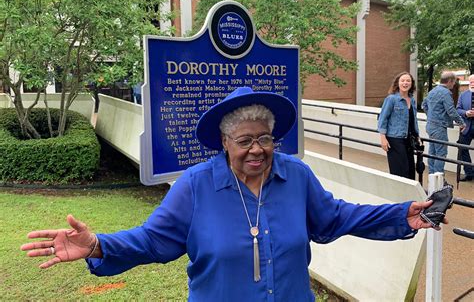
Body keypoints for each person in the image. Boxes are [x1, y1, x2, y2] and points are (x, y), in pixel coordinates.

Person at [21, 86, 444, 301]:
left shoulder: (295, 176)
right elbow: (153, 240)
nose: (257, 149)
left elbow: (335, 218)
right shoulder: (195, 186)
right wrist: (96, 245)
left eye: (265, 138)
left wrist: (400, 215)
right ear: (224, 142)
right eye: (244, 140)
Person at [378, 72, 420, 179]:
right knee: (400, 170)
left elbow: (413, 120)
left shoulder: (412, 100)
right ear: (398, 83)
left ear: (411, 84)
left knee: (411, 170)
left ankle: (410, 195)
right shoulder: (391, 99)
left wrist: (417, 136)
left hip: (408, 139)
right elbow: (383, 118)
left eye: (408, 81)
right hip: (394, 139)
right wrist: (383, 138)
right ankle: (399, 195)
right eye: (403, 80)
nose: (405, 83)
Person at [422, 71, 466, 175]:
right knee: (441, 153)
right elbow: (451, 110)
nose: (454, 84)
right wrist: (461, 123)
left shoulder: (433, 91)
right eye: (454, 82)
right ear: (450, 81)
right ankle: (438, 180)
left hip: (430, 126)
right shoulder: (446, 93)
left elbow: (424, 105)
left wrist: (431, 117)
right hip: (439, 127)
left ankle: (432, 177)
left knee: (432, 152)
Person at [456, 74, 474, 181]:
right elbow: (458, 109)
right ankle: (469, 173)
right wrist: (466, 113)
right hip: (466, 127)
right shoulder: (463, 95)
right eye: (471, 82)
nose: (473, 84)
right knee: (462, 147)